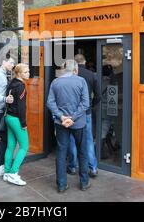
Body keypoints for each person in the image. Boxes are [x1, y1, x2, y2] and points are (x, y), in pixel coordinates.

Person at [47, 59, 90, 193]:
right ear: (76, 69)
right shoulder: (81, 81)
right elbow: (85, 103)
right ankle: (84, 183)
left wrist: (61, 117)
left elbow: (50, 103)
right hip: (78, 123)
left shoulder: (56, 82)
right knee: (82, 152)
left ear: (64, 69)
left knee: (61, 153)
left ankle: (61, 185)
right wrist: (73, 118)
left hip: (61, 123)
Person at [67, 54, 100, 178]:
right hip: (86, 112)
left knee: (71, 139)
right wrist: (91, 106)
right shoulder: (92, 75)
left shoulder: (68, 75)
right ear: (85, 62)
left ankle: (72, 167)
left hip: (71, 113)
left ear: (74, 64)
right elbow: (98, 95)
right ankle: (93, 168)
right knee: (88, 140)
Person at [3, 63, 30, 186]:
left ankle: (7, 172)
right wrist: (23, 123)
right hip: (16, 119)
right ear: (19, 73)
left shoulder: (11, 82)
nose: (28, 73)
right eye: (25, 72)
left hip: (8, 117)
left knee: (11, 146)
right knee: (24, 146)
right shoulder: (21, 86)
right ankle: (13, 173)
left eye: (28, 71)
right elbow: (21, 107)